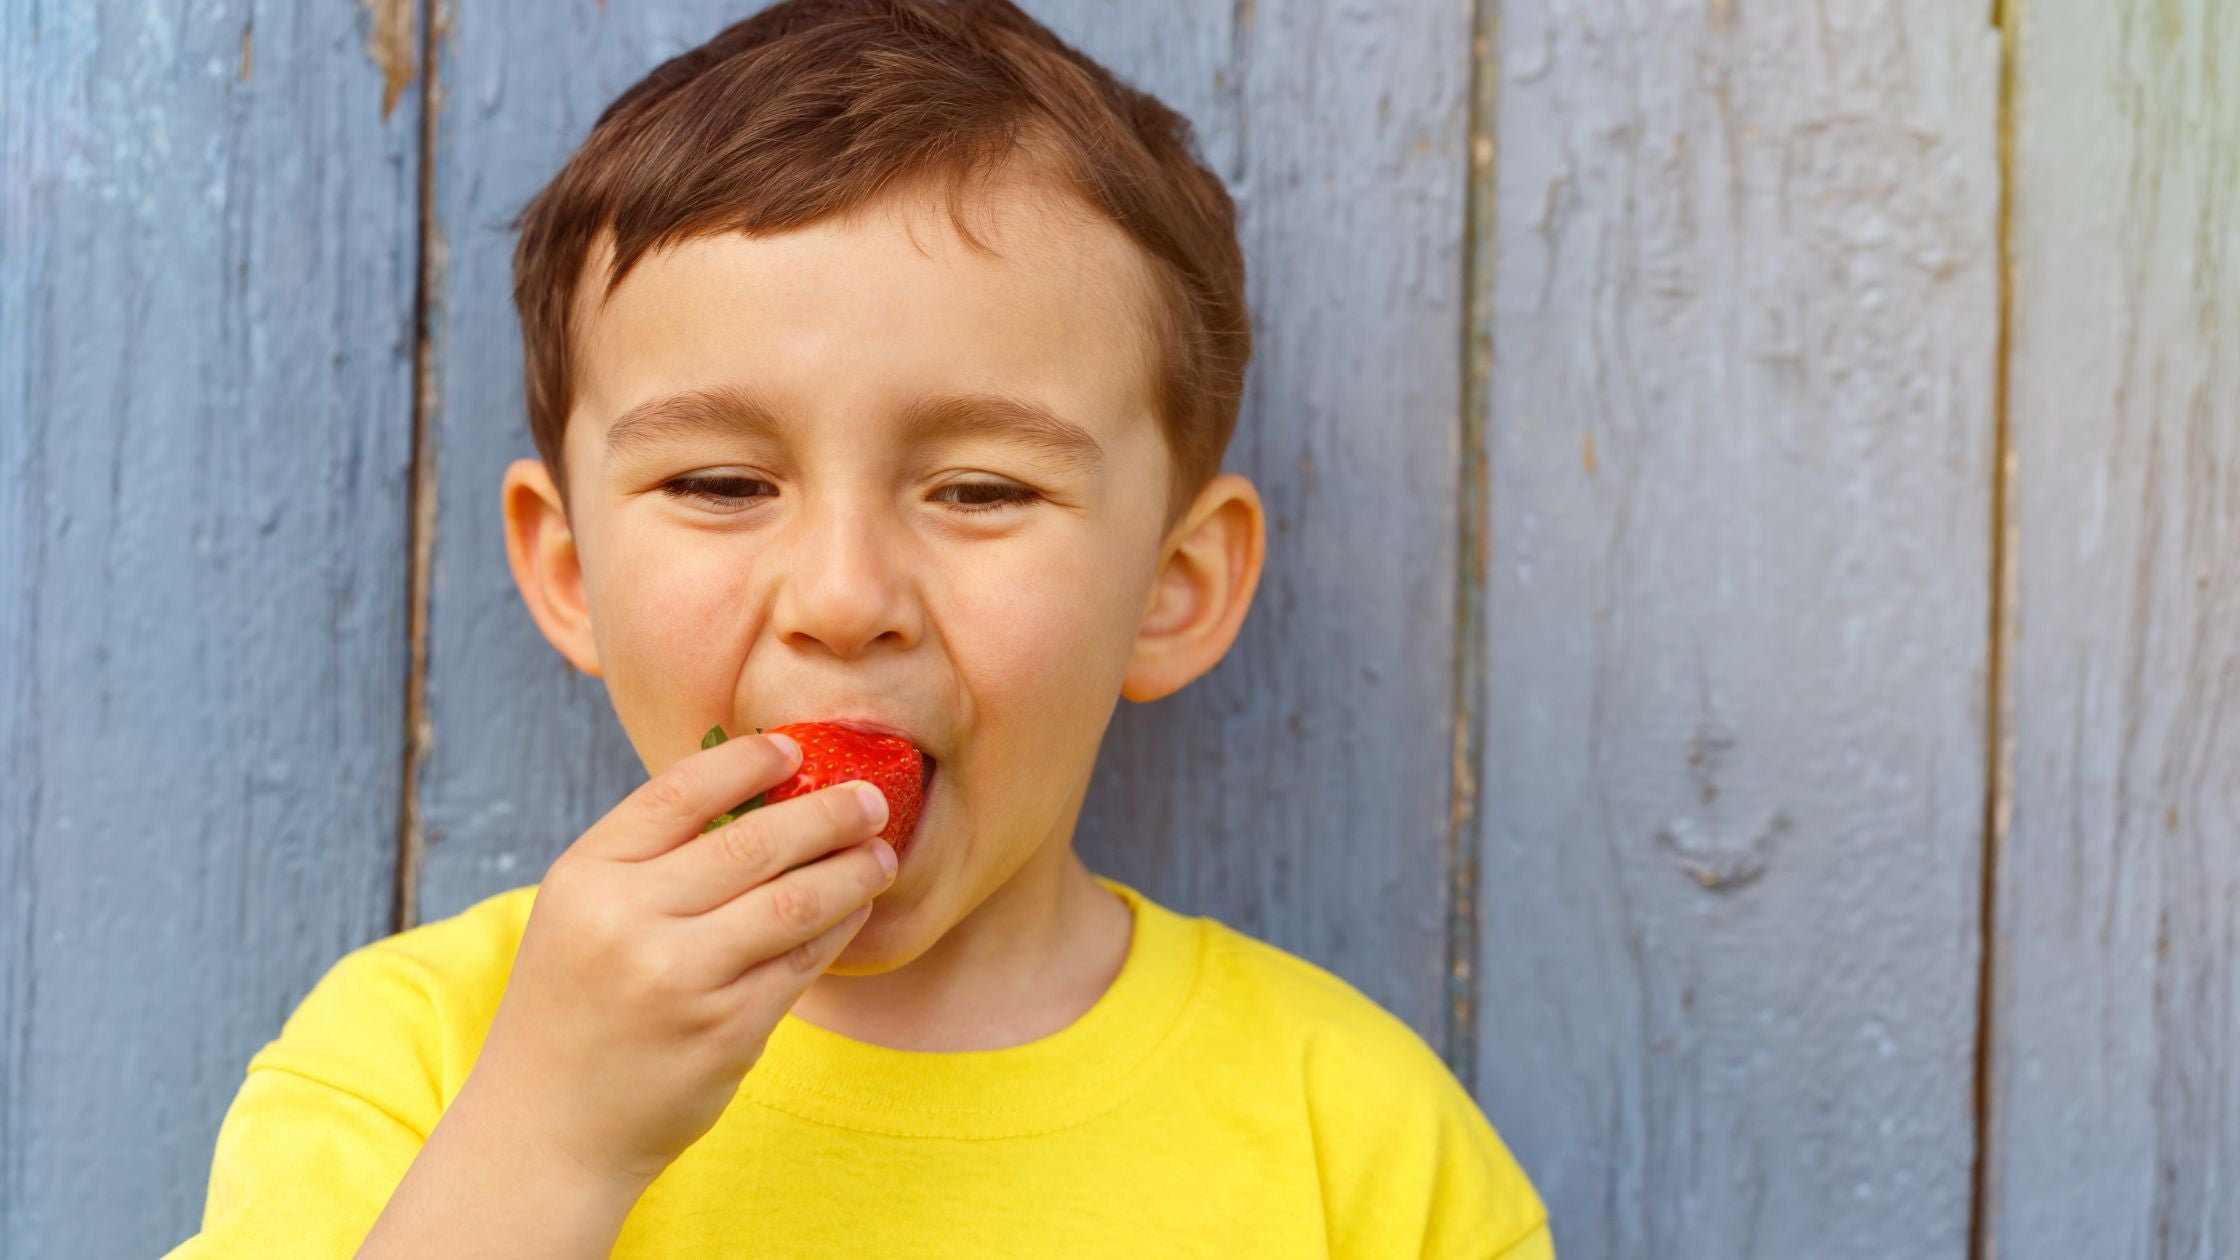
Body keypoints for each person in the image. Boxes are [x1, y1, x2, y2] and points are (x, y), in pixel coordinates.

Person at [164, 1, 1550, 1255]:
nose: (842, 598)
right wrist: (552, 1144)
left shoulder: (1359, 1144)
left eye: (982, 490)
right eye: (721, 484)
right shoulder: (421, 1064)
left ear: (1172, 588)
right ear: (571, 571)